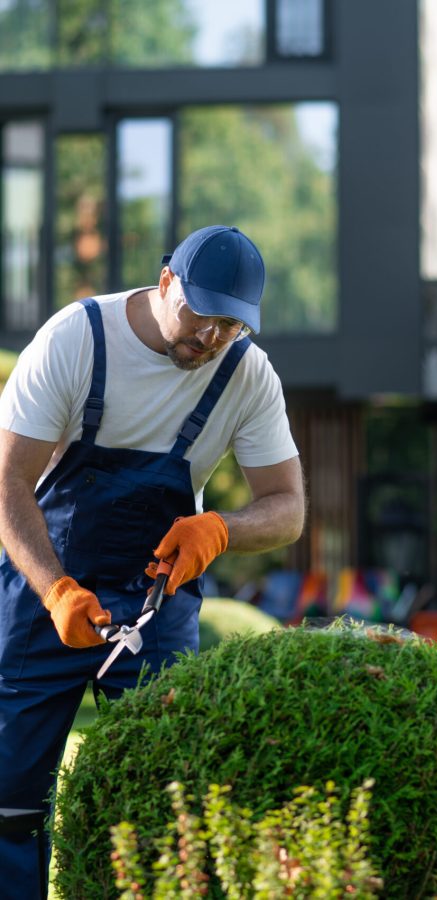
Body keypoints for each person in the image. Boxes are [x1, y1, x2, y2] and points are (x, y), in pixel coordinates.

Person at [0, 224, 305, 897]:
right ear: (167, 281)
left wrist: (220, 529)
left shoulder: (246, 375)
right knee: (8, 803)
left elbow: (288, 507)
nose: (213, 337)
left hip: (154, 606)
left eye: (232, 324)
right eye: (203, 315)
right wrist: (56, 593)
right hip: (42, 597)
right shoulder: (77, 337)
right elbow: (7, 482)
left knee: (176, 803)